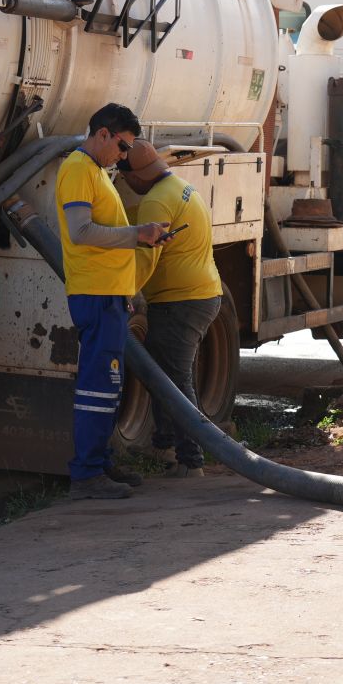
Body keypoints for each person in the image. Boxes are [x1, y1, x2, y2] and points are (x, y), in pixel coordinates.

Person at [56, 104, 169, 499]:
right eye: (122, 147)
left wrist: (128, 291)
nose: (124, 157)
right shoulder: (76, 170)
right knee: (97, 386)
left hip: (109, 295)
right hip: (95, 294)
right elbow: (81, 232)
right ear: (103, 134)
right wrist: (138, 234)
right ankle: (86, 474)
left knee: (108, 384)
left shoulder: (94, 172)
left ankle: (99, 465)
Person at [119, 141, 222, 479]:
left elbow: (147, 256)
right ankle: (164, 444)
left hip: (183, 301)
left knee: (175, 381)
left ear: (135, 177)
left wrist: (125, 291)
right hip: (198, 295)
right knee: (161, 374)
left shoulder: (156, 200)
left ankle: (192, 462)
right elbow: (137, 222)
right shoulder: (180, 187)